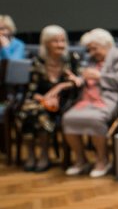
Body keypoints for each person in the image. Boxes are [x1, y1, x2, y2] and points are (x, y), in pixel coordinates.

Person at [61, 28, 118, 177]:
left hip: (107, 99)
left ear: (106, 44)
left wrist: (101, 76)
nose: (91, 52)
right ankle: (81, 160)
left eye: (94, 48)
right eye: (89, 49)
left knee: (94, 119)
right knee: (67, 119)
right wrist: (78, 80)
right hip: (85, 99)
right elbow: (85, 78)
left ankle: (102, 160)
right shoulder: (91, 59)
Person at [16, 25, 82, 171]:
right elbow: (31, 89)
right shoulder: (38, 62)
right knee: (27, 111)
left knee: (39, 113)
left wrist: (60, 87)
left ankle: (44, 154)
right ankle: (32, 154)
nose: (60, 44)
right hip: (41, 100)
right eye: (55, 41)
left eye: (62, 41)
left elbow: (78, 83)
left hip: (64, 103)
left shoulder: (72, 59)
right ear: (46, 43)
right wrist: (44, 99)